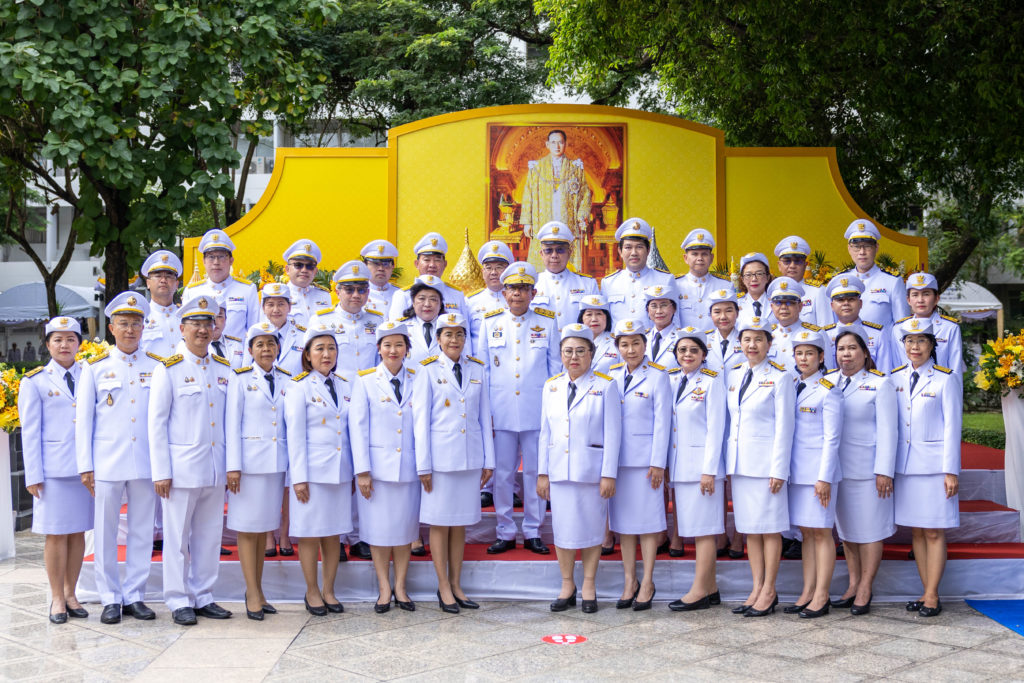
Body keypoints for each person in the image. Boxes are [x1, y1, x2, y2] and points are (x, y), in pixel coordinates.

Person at [148, 295, 233, 625]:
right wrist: (161, 471)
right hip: (180, 471)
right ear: (181, 329)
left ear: (215, 329)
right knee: (177, 537)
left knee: (209, 536)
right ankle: (177, 597)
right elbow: (156, 423)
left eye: (207, 324)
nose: (201, 330)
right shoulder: (167, 369)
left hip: (214, 469)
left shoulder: (224, 369)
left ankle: (203, 594)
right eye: (195, 324)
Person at [76, 293, 161, 624]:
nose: (130, 330)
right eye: (123, 324)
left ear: (144, 327)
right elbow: (84, 421)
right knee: (105, 530)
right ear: (111, 328)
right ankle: (110, 596)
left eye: (136, 324)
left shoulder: (156, 367)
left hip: (145, 462)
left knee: (142, 530)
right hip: (107, 461)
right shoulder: (95, 368)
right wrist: (86, 465)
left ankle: (135, 594)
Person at [413, 313, 495, 613]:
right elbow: (420, 422)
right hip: (440, 461)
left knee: (460, 523)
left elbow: (483, 417)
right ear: (438, 339)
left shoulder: (477, 368)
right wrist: (423, 465)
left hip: (469, 458)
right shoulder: (427, 371)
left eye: (459, 334)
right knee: (440, 522)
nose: (454, 340)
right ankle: (443, 586)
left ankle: (457, 583)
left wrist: (489, 459)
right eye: (448, 335)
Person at [538, 324, 621, 613]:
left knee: (591, 530)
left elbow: (613, 433)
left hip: (591, 472)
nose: (574, 357)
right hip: (559, 471)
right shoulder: (551, 386)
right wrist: (542, 472)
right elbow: (545, 433)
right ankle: (566, 584)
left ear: (592, 353)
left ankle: (588, 584)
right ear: (561, 354)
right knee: (562, 531)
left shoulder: (605, 385)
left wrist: (608, 473)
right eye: (568, 351)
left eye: (580, 351)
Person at [480, 262, 558, 556]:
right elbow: (484, 370)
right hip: (500, 411)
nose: (517, 294)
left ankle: (533, 530)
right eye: (512, 288)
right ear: (504, 292)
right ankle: (505, 531)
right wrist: (485, 412)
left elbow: (555, 371)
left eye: (523, 289)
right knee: (502, 474)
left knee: (535, 473)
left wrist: (552, 412)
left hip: (537, 411)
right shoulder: (490, 322)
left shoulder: (547, 322)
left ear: (533, 292)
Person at [19, 316, 92, 623]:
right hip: (52, 471)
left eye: (70, 339)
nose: (65, 345)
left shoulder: (90, 374)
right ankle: (56, 598)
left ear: (79, 343)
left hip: (84, 469)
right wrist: (33, 474)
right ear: (47, 344)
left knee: (77, 534)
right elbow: (29, 431)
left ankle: (72, 593)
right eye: (58, 340)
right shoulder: (34, 381)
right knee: (55, 536)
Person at [726, 312, 795, 616]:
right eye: (746, 339)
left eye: (758, 339)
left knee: (770, 530)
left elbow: (785, 427)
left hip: (767, 466)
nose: (752, 344)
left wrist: (779, 469)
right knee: (751, 530)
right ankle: (756, 586)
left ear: (770, 343)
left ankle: (770, 589)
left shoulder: (780, 377)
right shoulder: (735, 374)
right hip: (741, 466)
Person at [892, 317, 962, 617]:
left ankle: (933, 595)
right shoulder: (893, 378)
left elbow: (952, 428)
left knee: (934, 532)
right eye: (910, 341)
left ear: (933, 345)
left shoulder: (946, 378)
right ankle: (925, 590)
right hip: (905, 468)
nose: (915, 347)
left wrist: (951, 471)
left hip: (934, 468)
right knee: (917, 533)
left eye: (921, 341)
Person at [350, 321, 420, 613]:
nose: (393, 350)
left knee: (405, 530)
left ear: (407, 349)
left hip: (410, 466)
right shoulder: (365, 380)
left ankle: (401, 587)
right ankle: (383, 589)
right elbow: (357, 427)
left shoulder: (419, 377)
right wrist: (362, 471)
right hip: (376, 470)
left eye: (399, 344)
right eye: (388, 345)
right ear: (378, 349)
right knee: (378, 532)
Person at [284, 323, 354, 615]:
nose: (327, 354)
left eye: (331, 348)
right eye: (320, 349)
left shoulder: (346, 384)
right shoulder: (298, 386)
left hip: (339, 471)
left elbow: (352, 431)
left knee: (333, 533)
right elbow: (295, 435)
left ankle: (329, 589)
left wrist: (354, 471)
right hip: (311, 474)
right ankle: (312, 590)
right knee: (310, 533)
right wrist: (298, 478)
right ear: (308, 355)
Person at [225, 323, 291, 620]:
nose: (266, 349)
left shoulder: (287, 379)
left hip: (275, 465)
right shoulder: (238, 379)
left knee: (264, 527)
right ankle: (251, 591)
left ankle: (259, 590)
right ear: (250, 350)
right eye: (260, 344)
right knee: (247, 529)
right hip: (249, 467)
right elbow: (232, 424)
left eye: (271, 344)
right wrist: (233, 467)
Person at [831, 324, 896, 615]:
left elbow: (888, 431)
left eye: (852, 348)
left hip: (869, 471)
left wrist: (884, 470)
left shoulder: (880, 383)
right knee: (847, 532)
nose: (846, 354)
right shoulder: (827, 382)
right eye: (841, 349)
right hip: (837, 471)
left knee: (869, 531)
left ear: (865, 353)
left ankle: (867, 586)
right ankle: (853, 582)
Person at [608, 319, 670, 611]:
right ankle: (629, 579)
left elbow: (663, 422)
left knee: (647, 524)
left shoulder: (658, 375)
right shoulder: (610, 375)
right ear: (617, 346)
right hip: (618, 462)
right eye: (624, 344)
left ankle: (647, 581)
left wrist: (658, 462)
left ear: (645, 345)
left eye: (635, 343)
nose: (630, 350)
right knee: (624, 526)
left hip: (646, 463)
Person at [666, 328, 727, 611]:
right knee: (697, 528)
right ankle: (711, 587)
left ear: (704, 355)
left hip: (702, 467)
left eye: (693, 350)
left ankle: (699, 591)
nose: (687, 355)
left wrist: (709, 470)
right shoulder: (672, 380)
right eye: (682, 350)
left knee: (704, 530)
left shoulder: (713, 381)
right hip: (681, 466)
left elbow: (716, 429)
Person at [785, 330, 842, 618]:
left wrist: (825, 478)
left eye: (809, 353)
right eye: (799, 353)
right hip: (797, 474)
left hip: (818, 475)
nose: (803, 358)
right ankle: (807, 590)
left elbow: (832, 438)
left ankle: (822, 594)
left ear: (821, 357)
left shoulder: (828, 389)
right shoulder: (793, 384)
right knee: (806, 534)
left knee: (821, 533)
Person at [520, 129, 593, 271]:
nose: (557, 146)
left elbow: (585, 194)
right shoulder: (536, 167)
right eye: (553, 142)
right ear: (547, 144)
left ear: (565, 144)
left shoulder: (575, 168)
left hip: (567, 220)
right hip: (543, 219)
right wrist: (527, 222)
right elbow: (527, 194)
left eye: (560, 142)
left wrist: (581, 217)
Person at [183, 229, 259, 345]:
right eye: (211, 257)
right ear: (203, 261)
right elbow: (186, 334)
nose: (216, 262)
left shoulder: (247, 290)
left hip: (237, 359)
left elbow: (254, 332)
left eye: (221, 256)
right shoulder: (192, 292)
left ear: (231, 260)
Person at [388, 232, 471, 335]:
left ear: (445, 264)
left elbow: (465, 333)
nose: (432, 265)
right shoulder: (402, 295)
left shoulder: (456, 294)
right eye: (426, 260)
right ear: (416, 264)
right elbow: (394, 333)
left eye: (437, 260)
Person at [315, 261, 383, 380]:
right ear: (338, 292)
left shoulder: (377, 321)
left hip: (370, 390)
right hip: (336, 390)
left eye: (361, 290)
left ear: (368, 292)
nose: (356, 295)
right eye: (349, 290)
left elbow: (381, 361)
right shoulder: (321, 320)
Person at [837, 219, 910, 327]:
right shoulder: (839, 281)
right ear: (849, 249)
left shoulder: (892, 282)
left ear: (876, 248)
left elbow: (902, 325)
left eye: (867, 246)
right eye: (857, 247)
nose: (862, 252)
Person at [600, 218, 674, 322]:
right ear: (620, 251)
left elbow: (675, 320)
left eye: (639, 247)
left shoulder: (665, 280)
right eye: (628, 247)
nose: (634, 253)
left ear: (648, 250)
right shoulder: (608, 283)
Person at [531, 221, 599, 329]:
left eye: (560, 250)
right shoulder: (532, 284)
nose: (554, 255)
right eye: (548, 250)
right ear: (541, 254)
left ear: (569, 252)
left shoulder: (587, 284)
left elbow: (595, 325)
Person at [892, 272, 964, 374]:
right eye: (915, 295)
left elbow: (955, 369)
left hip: (939, 387)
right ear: (908, 300)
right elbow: (896, 366)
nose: (920, 300)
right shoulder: (898, 328)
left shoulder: (950, 328)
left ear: (936, 299)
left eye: (926, 294)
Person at [823, 274, 895, 372]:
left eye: (851, 299)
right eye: (840, 300)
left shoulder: (877, 333)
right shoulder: (824, 334)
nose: (846, 303)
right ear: (832, 306)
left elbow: (884, 370)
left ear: (860, 303)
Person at [245, 282, 304, 377]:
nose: (276, 310)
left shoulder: (303, 336)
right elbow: (246, 370)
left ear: (289, 307)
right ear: (263, 308)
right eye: (270, 305)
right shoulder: (254, 334)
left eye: (281, 304)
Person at [675, 229, 730, 330]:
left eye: (704, 254)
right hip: (685, 342)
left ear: (712, 258)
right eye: (695, 254)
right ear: (685, 258)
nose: (700, 258)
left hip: (714, 343)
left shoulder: (725, 285)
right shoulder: (676, 285)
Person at [774, 236, 830, 327]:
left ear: (805, 265)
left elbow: (826, 329)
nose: (792, 265)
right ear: (779, 265)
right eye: (787, 261)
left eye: (798, 261)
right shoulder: (772, 293)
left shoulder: (818, 291)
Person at [466, 240, 514, 344]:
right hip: (479, 359)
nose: (493, 273)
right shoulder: (470, 302)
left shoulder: (516, 299)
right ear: (483, 272)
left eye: (499, 267)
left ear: (508, 271)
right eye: (488, 268)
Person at [766, 277, 820, 369]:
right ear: (772, 307)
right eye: (778, 303)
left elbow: (826, 370)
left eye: (789, 303)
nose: (783, 307)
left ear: (800, 306)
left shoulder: (816, 334)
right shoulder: (767, 334)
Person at [140, 250, 184, 359]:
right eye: (158, 276)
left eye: (169, 276)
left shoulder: (185, 316)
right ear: (148, 283)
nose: (163, 280)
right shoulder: (141, 316)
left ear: (177, 284)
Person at [281, 240, 332, 329]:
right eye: (298, 265)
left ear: (315, 271)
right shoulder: (278, 295)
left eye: (309, 266)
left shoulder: (324, 296)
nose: (304, 270)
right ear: (287, 269)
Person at [401, 275, 445, 365]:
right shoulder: (402, 327)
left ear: (440, 304)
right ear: (413, 302)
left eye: (433, 299)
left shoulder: (449, 327)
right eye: (421, 299)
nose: (427, 304)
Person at [705, 287, 743, 375]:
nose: (723, 317)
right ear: (710, 315)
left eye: (729, 311)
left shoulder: (746, 339)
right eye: (717, 312)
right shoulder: (704, 340)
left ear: (737, 313)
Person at [577, 294, 619, 375]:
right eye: (589, 314)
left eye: (599, 314)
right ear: (582, 318)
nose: (594, 319)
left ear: (607, 317)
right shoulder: (574, 342)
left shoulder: (617, 343)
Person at [644, 283, 681, 370]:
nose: (659, 311)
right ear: (647, 310)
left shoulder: (682, 337)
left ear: (674, 309)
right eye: (654, 306)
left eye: (664, 305)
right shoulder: (642, 337)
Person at [361, 239, 401, 314]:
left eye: (385, 264)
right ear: (365, 265)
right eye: (375, 264)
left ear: (393, 266)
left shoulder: (401, 293)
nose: (381, 269)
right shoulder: (358, 293)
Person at [736, 253, 774, 323]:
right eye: (748, 275)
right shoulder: (736, 304)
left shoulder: (776, 302)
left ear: (767, 277)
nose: (754, 279)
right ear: (742, 279)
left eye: (759, 274)